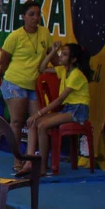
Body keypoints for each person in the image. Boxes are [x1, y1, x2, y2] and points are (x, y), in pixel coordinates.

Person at [0, 0, 53, 171]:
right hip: (15, 82)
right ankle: (17, 159)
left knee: (34, 121)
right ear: (23, 17)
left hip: (34, 85)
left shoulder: (44, 33)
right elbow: (3, 62)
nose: (36, 18)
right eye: (31, 14)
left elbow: (51, 56)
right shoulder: (15, 36)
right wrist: (4, 80)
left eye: (38, 14)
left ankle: (29, 160)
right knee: (17, 122)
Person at [25, 42, 92, 176]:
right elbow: (42, 68)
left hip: (78, 110)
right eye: (61, 53)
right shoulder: (62, 70)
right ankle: (30, 161)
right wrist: (53, 51)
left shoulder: (76, 75)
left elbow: (60, 100)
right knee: (34, 123)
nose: (60, 56)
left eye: (65, 54)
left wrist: (38, 113)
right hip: (68, 108)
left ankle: (43, 167)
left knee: (42, 125)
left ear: (73, 59)